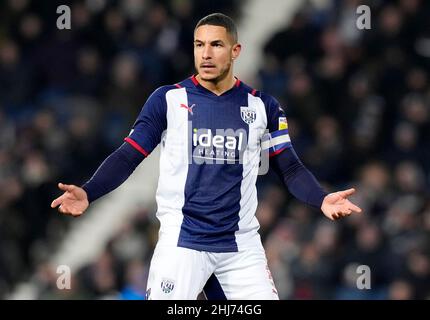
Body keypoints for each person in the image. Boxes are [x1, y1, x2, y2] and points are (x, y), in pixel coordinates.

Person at [51, 13, 362, 300]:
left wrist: (321, 199)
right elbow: (129, 155)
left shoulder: (263, 107)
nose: (206, 53)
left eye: (216, 45)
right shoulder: (168, 100)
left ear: (236, 51)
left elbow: (289, 167)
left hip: (240, 244)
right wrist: (89, 192)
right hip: (183, 240)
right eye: (199, 45)